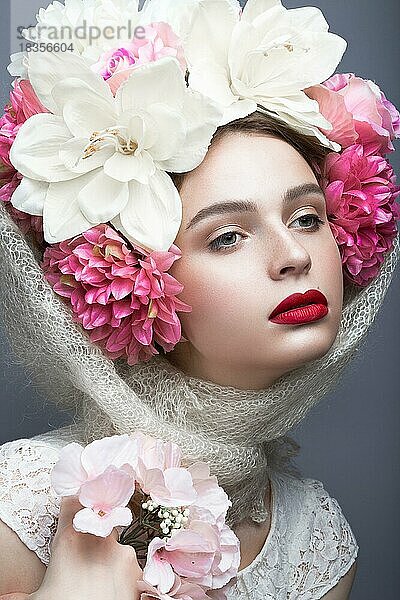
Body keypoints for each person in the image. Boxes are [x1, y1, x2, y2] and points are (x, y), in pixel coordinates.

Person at [0, 1, 399, 599]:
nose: (294, 254)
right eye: (228, 235)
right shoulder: (20, 504)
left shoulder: (318, 547)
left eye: (308, 216)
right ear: (131, 281)